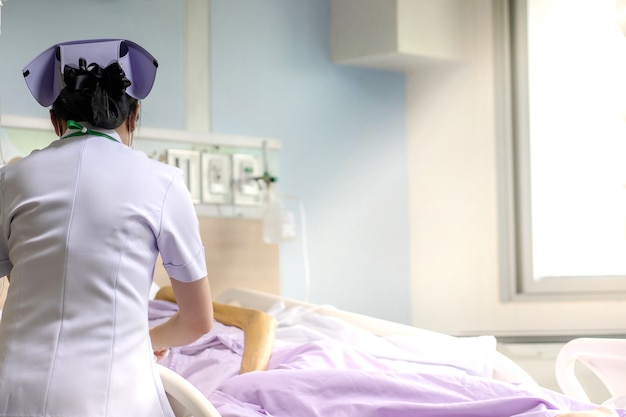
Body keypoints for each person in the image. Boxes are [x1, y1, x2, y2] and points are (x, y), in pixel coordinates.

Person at [0, 39, 214, 416]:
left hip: (13, 390)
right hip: (117, 396)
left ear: (56, 121)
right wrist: (150, 339)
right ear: (132, 117)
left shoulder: (11, 180)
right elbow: (198, 321)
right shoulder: (162, 182)